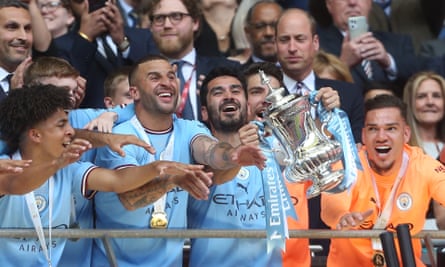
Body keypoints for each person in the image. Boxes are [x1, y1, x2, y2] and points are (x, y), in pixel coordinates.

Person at [0, 84, 213, 266]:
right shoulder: (5, 167)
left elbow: (118, 182)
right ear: (35, 134)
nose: (70, 131)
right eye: (61, 124)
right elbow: (18, 185)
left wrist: (157, 168)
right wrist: (56, 163)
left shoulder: (70, 170)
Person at [92, 55, 266, 266]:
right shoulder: (120, 137)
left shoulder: (190, 129)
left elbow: (209, 149)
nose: (166, 82)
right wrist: (172, 179)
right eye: (155, 77)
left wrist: (233, 155)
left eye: (171, 76)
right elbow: (129, 198)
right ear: (134, 92)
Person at [275, 8, 365, 257]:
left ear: (315, 43)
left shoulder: (347, 94)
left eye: (300, 39)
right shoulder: (262, 97)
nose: (292, 47)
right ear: (275, 44)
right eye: (285, 39)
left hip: (335, 211)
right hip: (280, 212)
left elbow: (356, 158)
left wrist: (333, 120)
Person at [320, 94, 445, 267]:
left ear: (406, 133)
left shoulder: (422, 165)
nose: (381, 137)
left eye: (391, 128)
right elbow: (330, 207)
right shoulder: (348, 162)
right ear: (363, 135)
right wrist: (343, 217)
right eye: (373, 129)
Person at [146, 0, 240, 121]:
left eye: (176, 16)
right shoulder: (140, 77)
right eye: (159, 18)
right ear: (151, 27)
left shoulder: (227, 71)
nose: (167, 25)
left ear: (195, 22)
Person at [55, 0, 158, 108]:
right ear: (70, 7)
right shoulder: (60, 45)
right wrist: (85, 38)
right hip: (90, 120)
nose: (88, 3)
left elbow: (153, 77)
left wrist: (123, 42)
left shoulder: (143, 37)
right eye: (80, 0)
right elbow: (69, 90)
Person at [317, 0, 419, 96]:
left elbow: (418, 83)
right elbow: (313, 91)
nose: (352, 2)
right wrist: (343, 65)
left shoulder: (398, 43)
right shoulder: (316, 46)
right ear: (329, 4)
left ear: (370, 3)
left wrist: (389, 63)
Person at [242, 0, 283, 68]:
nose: (268, 33)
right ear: (248, 32)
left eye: (275, 25)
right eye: (260, 26)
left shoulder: (301, 73)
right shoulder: (239, 77)